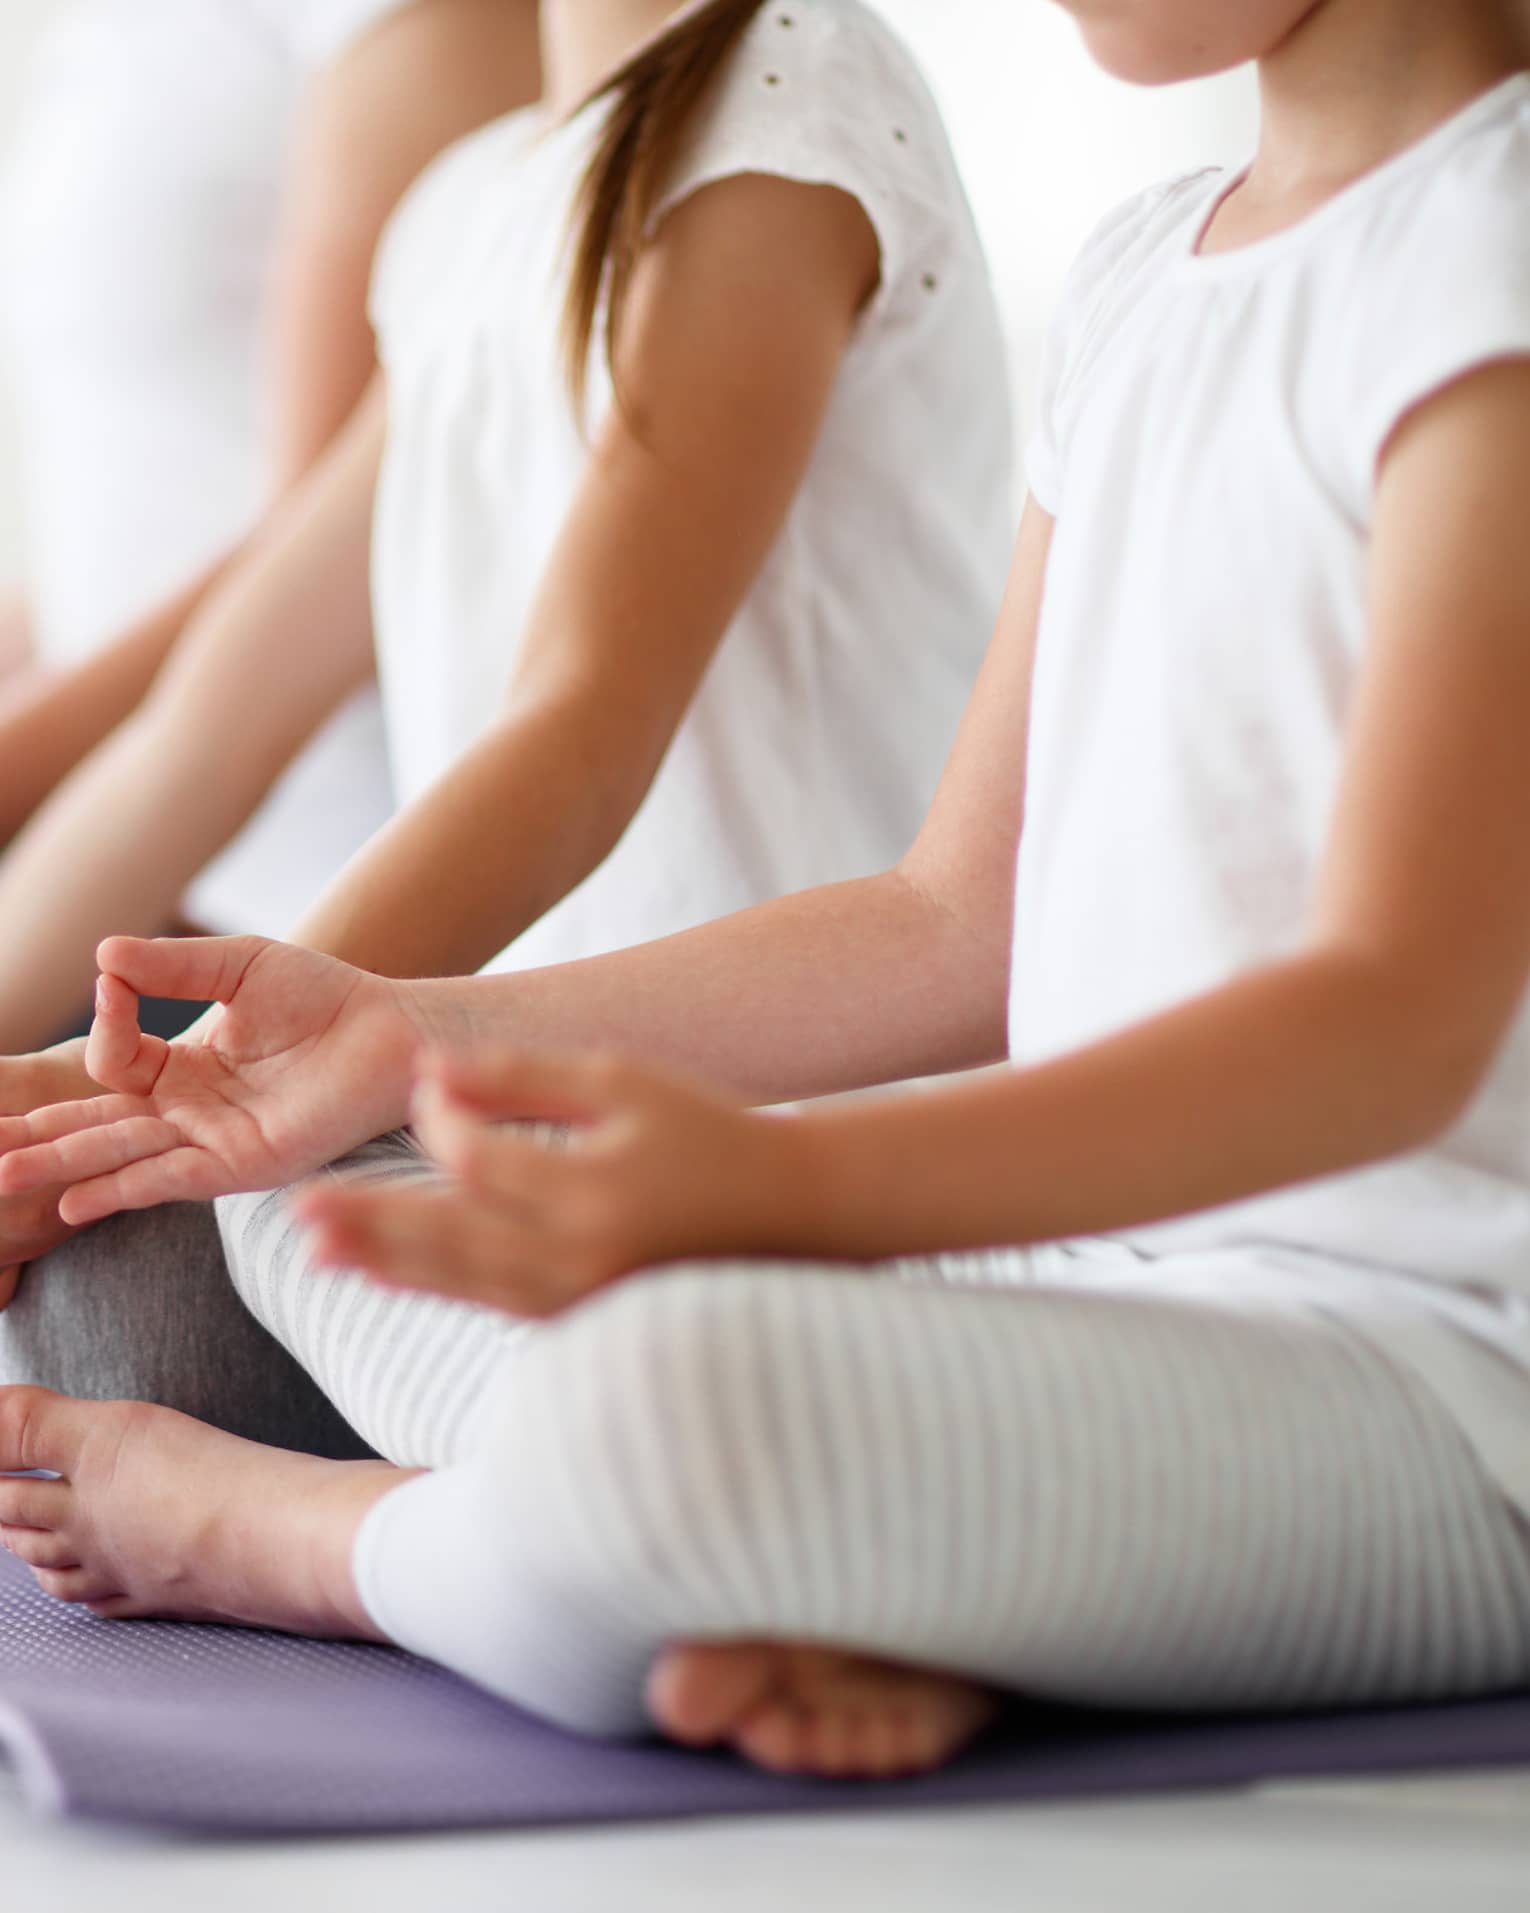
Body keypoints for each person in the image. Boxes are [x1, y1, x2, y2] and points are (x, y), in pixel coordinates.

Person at [11, 0, 1530, 1783]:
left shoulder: (1479, 261)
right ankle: (879, 1583)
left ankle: (309, 1545)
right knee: (297, 1165)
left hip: (1431, 1378)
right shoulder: (1143, 278)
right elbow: (959, 919)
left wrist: (790, 1187)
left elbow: (1392, 1035)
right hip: (1099, 1290)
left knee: (687, 1411)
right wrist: (400, 1034)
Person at [0, 0, 1009, 1417]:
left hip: (787, 1122)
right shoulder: (468, 213)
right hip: (508, 1105)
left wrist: (171, 1093)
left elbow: (581, 725)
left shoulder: (786, 109)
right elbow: (205, 728)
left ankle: (312, 1527)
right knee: (114, 1285)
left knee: (144, 1286)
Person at [0, 0, 542, 1024]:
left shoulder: (403, 30)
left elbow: (328, 553)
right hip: (119, 840)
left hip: (285, 903)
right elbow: (133, 512)